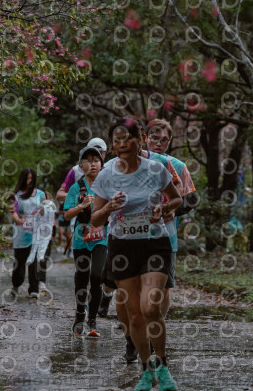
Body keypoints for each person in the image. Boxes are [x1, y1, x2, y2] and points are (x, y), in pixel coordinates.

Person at [92, 117, 182, 391]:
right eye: (117, 140)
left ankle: (163, 366)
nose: (122, 144)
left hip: (155, 244)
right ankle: (146, 370)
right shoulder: (106, 174)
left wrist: (164, 209)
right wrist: (109, 208)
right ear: (113, 145)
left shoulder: (155, 169)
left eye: (127, 138)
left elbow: (177, 198)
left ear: (140, 138)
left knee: (150, 307)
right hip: (123, 247)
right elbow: (95, 219)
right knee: (134, 316)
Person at [144, 119, 197, 318]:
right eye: (154, 138)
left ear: (170, 140)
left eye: (164, 140)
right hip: (135, 234)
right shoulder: (133, 164)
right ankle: (137, 321)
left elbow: (191, 199)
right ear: (145, 138)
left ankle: (158, 323)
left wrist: (175, 210)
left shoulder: (178, 166)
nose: (159, 143)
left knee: (164, 286)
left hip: (167, 235)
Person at [64, 146, 108, 338]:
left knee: (97, 276)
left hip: (101, 238)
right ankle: (80, 314)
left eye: (96, 160)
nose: (93, 164)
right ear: (81, 166)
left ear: (101, 164)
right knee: (81, 277)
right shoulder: (76, 188)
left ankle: (92, 319)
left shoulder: (106, 186)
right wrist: (81, 205)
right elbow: (67, 215)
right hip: (81, 239)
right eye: (88, 161)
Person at [9, 168, 47, 299]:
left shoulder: (40, 194)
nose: (29, 181)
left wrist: (43, 210)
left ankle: (33, 289)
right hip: (21, 234)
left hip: (36, 234)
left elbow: (44, 211)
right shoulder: (16, 195)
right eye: (27, 178)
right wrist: (19, 220)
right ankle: (16, 284)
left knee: (34, 262)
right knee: (19, 263)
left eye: (31, 178)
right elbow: (13, 211)